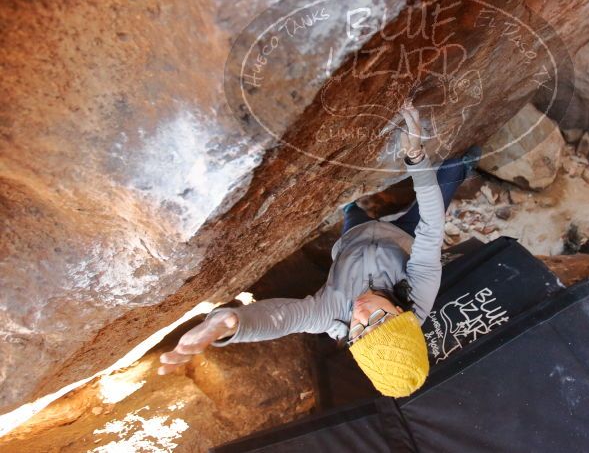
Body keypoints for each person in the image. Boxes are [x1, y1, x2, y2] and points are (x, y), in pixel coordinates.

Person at [158, 103, 478, 398]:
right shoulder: (420, 293)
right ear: (402, 314)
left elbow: (286, 318)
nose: (362, 314)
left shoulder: (334, 315)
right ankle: (465, 168)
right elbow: (432, 226)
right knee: (452, 170)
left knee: (352, 210)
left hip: (353, 237)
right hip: (404, 233)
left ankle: (355, 205)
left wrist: (228, 324)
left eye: (359, 332)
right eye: (379, 320)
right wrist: (416, 157)